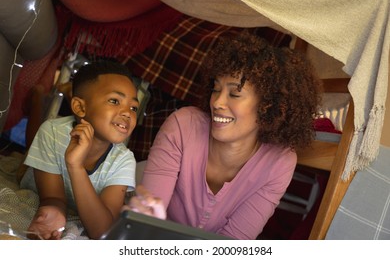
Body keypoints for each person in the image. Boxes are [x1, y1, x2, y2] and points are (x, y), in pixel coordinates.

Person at [123, 31, 322, 240]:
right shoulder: (183, 126)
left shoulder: (279, 162)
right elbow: (148, 225)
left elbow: (233, 243)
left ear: (268, 105)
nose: (217, 102)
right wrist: (145, 216)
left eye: (234, 93)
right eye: (216, 89)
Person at [20, 60, 139, 239]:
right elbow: (53, 199)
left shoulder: (124, 160)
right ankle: (38, 99)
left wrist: (75, 166)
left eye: (133, 107)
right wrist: (54, 211)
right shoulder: (53, 131)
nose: (127, 113)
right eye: (115, 101)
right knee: (28, 152)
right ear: (80, 107)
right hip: (34, 178)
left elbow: (102, 231)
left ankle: (61, 92)